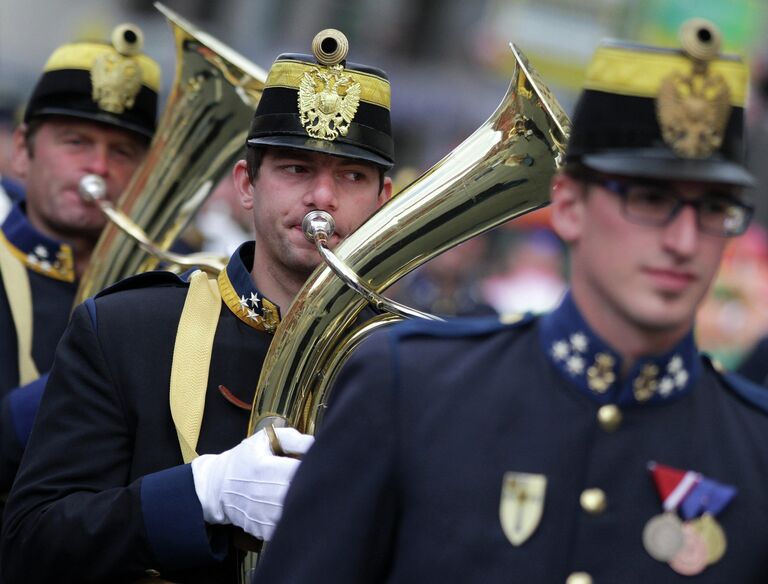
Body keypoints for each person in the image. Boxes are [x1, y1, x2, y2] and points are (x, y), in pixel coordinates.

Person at [253, 20, 768, 584]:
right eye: (649, 199)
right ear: (569, 206)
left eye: (713, 209)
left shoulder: (754, 447)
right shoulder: (410, 388)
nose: (683, 241)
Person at [1, 28, 394, 584]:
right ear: (246, 185)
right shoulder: (128, 329)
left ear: (385, 200)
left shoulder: (413, 368)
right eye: (295, 169)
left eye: (351, 176)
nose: (322, 198)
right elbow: (30, 547)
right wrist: (197, 496)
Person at [0, 26, 160, 492]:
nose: (98, 168)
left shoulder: (163, 288)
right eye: (75, 141)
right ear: (22, 151)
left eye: (122, 151)